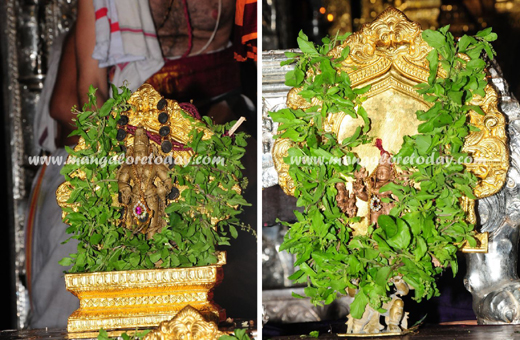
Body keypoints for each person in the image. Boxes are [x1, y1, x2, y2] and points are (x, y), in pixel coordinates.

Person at [26, 0, 257, 328]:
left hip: (207, 143)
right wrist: (125, 163)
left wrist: (191, 149)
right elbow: (77, 104)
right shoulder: (103, 11)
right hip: (121, 150)